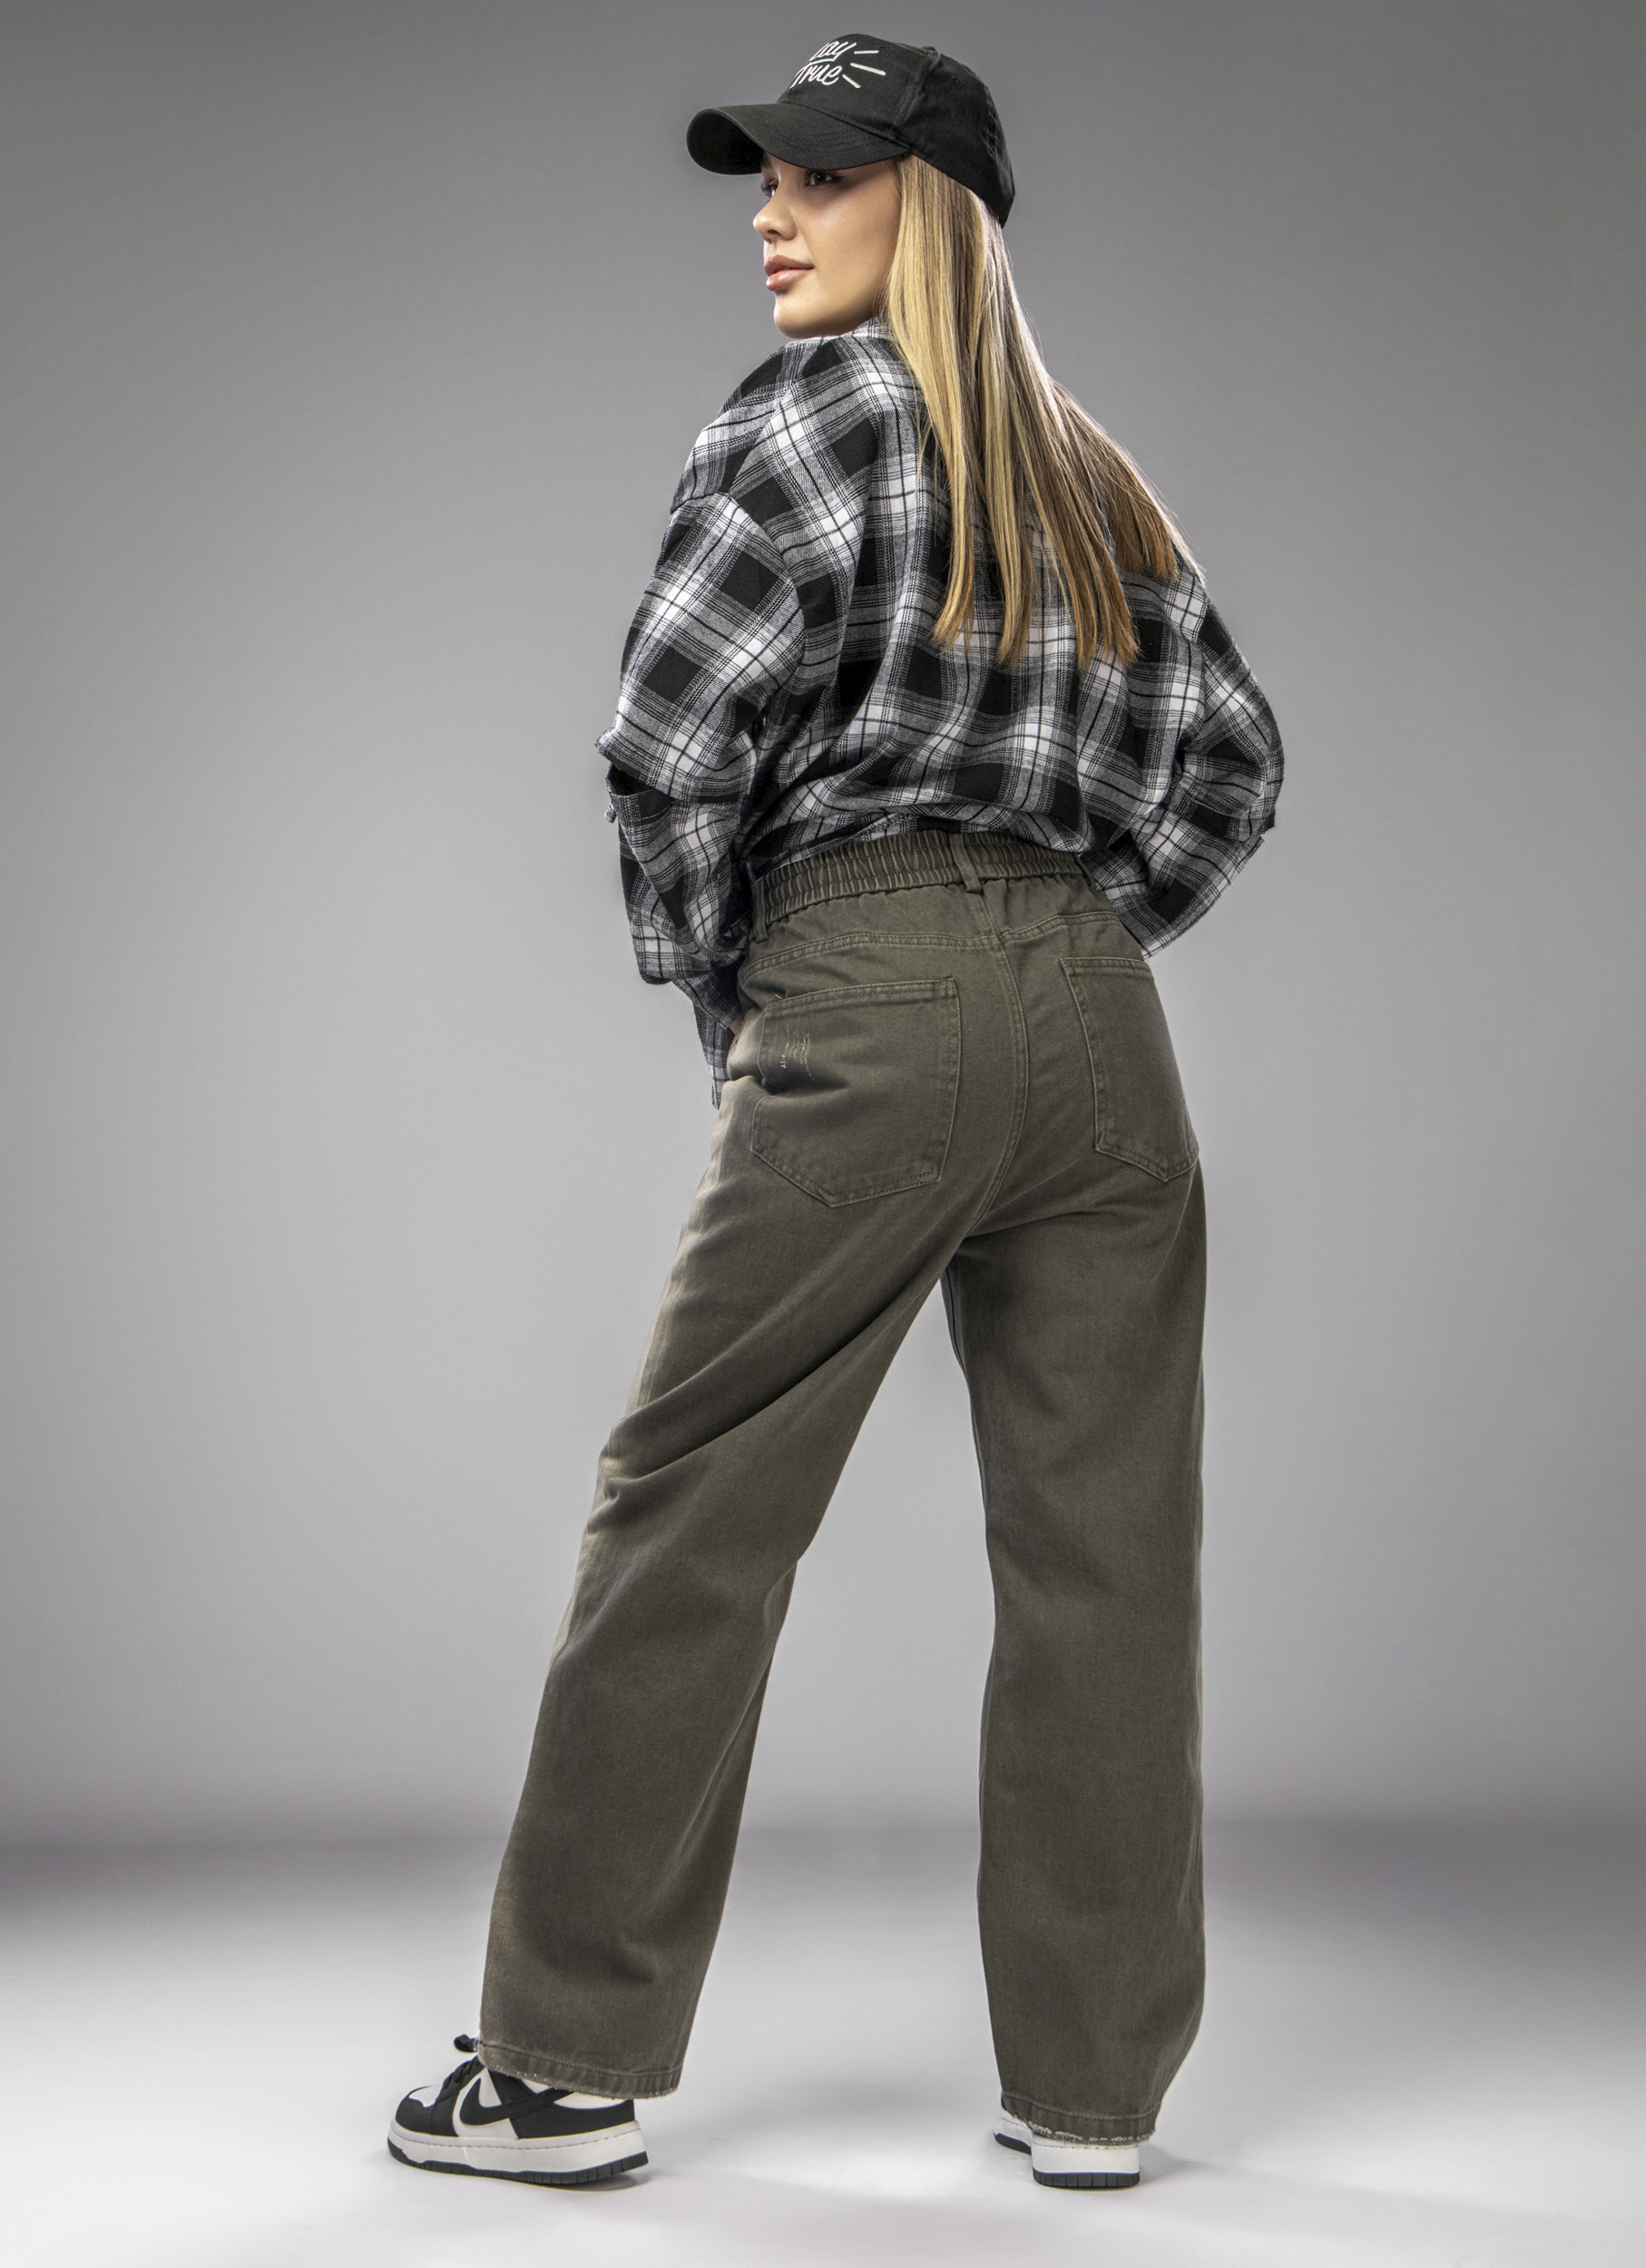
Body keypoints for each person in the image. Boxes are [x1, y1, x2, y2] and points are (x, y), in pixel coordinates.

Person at [387, 32, 1281, 2196]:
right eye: (766, 178)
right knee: (1102, 1553)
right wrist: (1073, 933)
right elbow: (1232, 764)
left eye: (822, 176)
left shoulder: (797, 426)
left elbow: (665, 742)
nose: (770, 211)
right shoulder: (1098, 480)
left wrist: (754, 988)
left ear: (931, 207)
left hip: (863, 981)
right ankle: (1090, 2094)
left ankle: (561, 2064)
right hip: (1101, 1035)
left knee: (690, 1502)